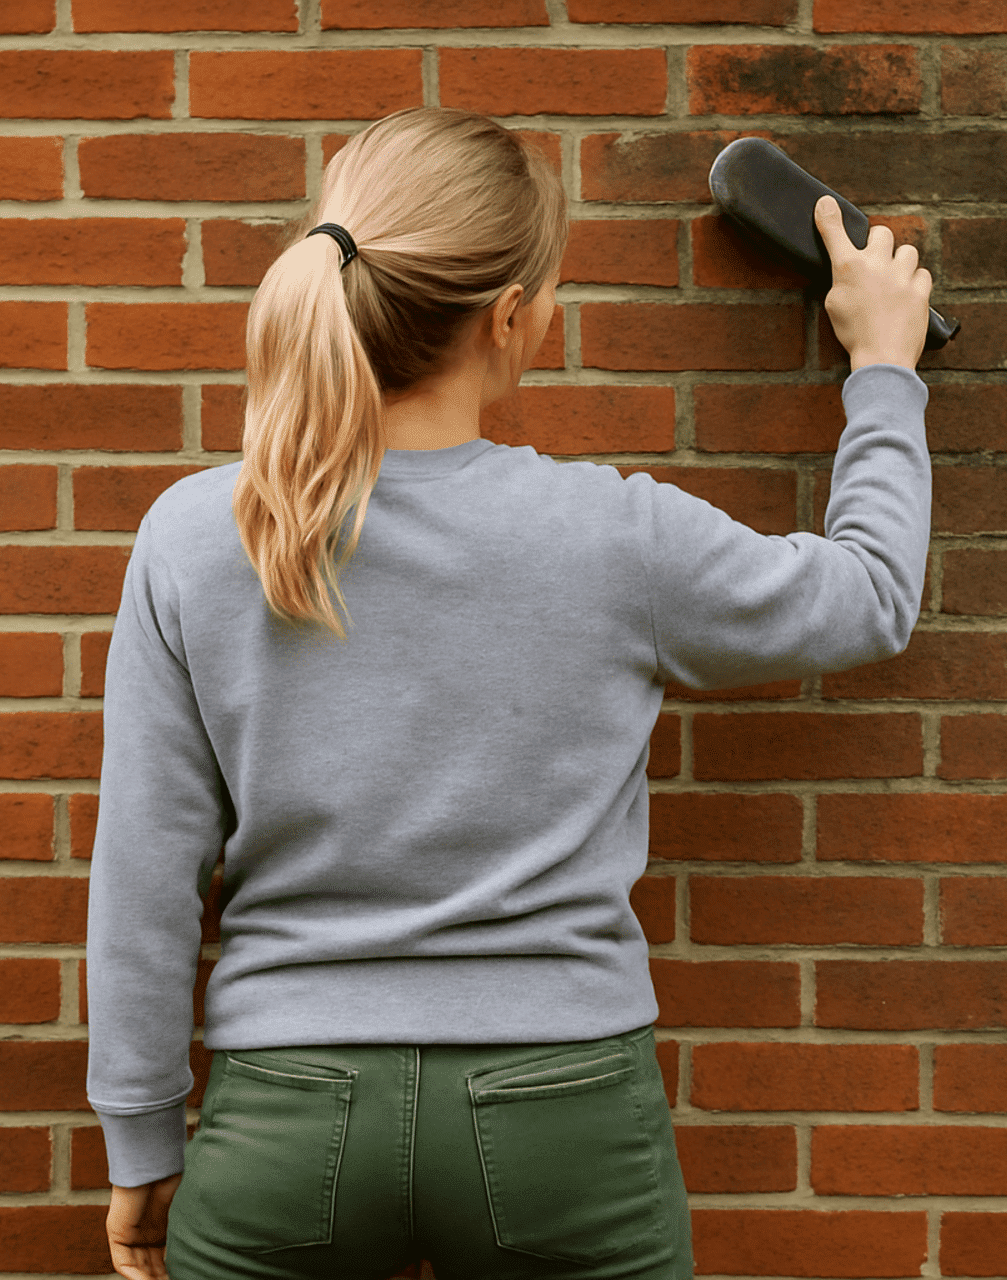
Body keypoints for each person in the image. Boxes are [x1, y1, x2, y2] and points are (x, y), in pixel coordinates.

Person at [86, 105, 934, 1280]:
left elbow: (142, 873)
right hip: (562, 1109)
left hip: (288, 1111)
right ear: (510, 317)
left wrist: (140, 1135)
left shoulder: (197, 533)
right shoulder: (611, 534)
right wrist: (884, 371)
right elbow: (869, 595)